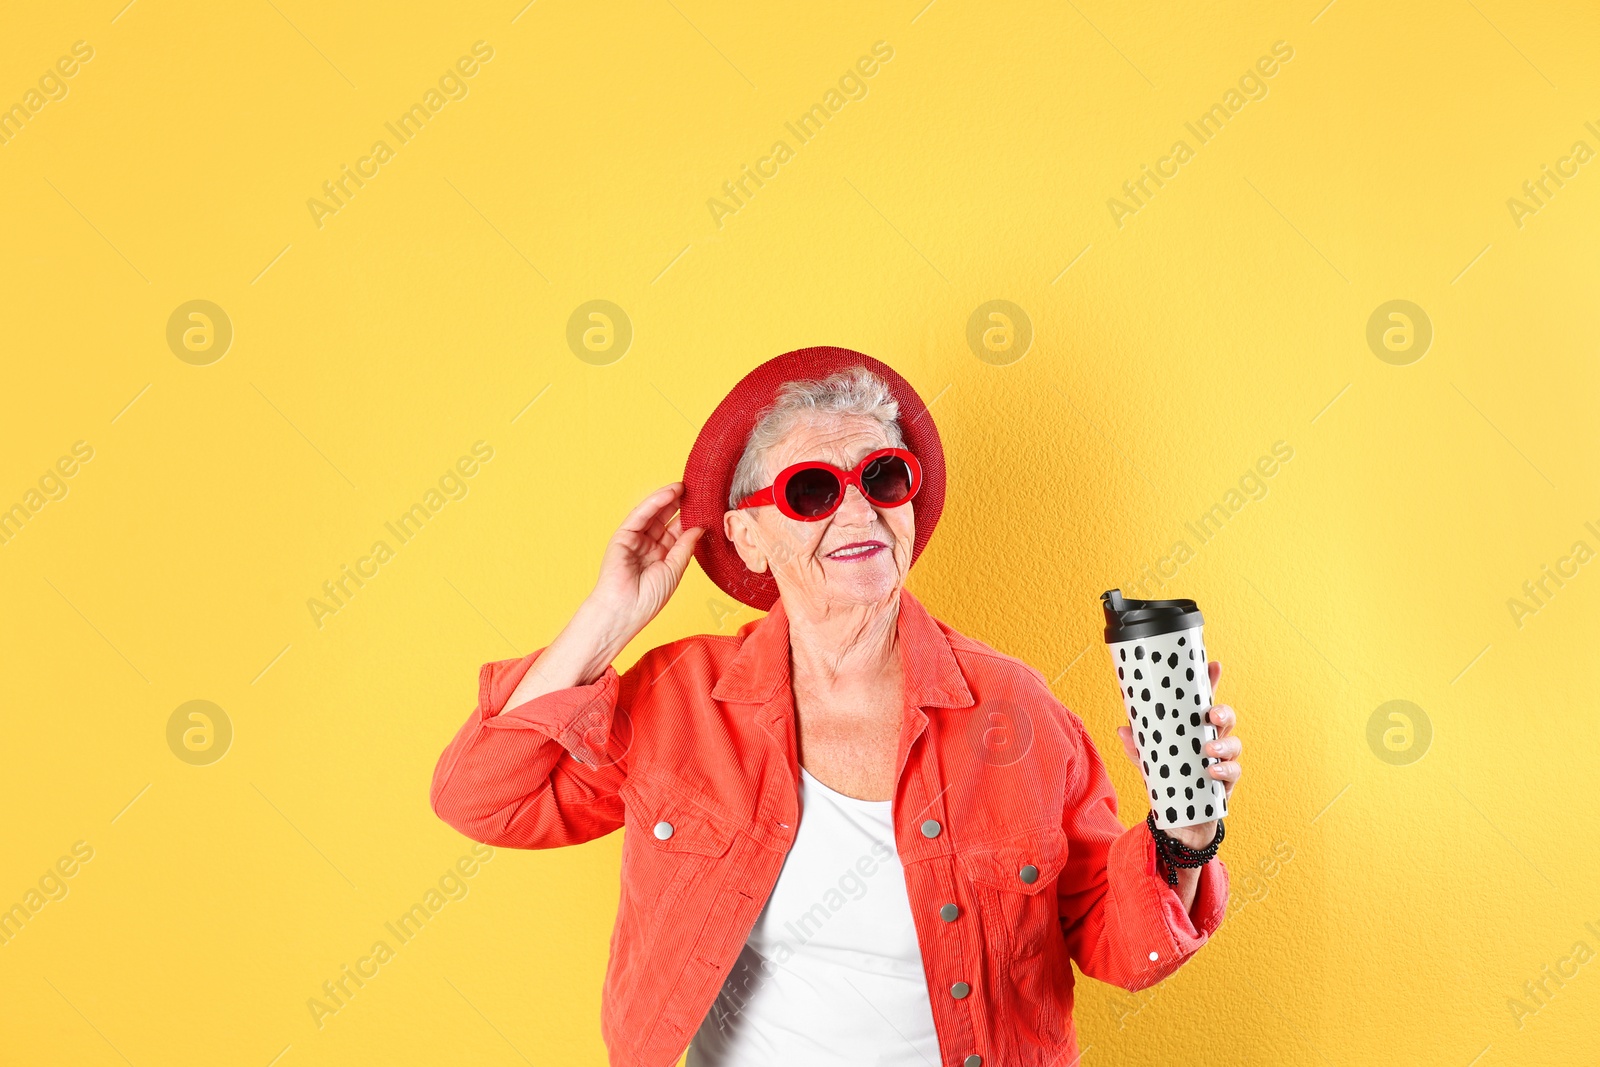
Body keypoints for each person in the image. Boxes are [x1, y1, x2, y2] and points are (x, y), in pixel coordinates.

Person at [430, 346, 1244, 1067]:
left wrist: (1185, 835)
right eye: (812, 490)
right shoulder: (679, 701)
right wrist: (605, 620)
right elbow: (482, 799)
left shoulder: (1012, 709)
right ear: (748, 537)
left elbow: (1122, 946)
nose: (858, 510)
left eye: (883, 477)